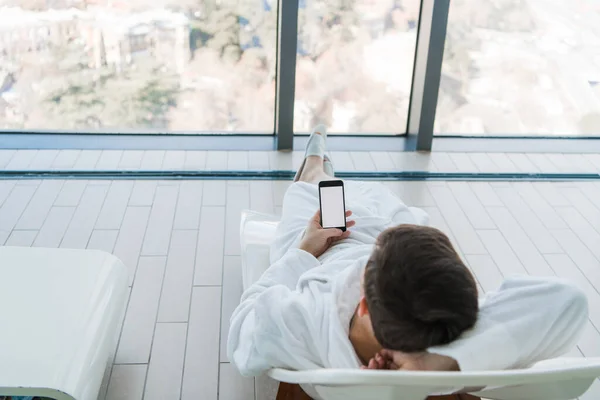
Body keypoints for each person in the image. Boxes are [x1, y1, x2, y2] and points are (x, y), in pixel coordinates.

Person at [228, 125, 588, 384]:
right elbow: (569, 301)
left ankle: (314, 162)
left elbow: (242, 328)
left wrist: (302, 252)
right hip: (382, 239)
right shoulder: (454, 334)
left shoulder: (299, 321)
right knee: (389, 211)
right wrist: (428, 364)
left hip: (325, 254)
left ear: (365, 304)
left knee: (310, 195)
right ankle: (335, 181)